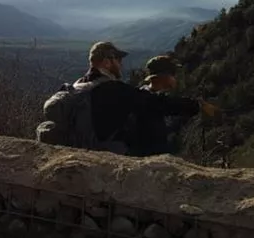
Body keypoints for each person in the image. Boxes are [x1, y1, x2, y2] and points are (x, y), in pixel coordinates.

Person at [36, 41, 218, 156]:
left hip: (78, 148)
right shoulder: (113, 89)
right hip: (104, 154)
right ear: (106, 62)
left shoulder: (79, 85)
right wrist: (197, 106)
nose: (121, 64)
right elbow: (157, 103)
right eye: (118, 60)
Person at [134, 55, 198, 156]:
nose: (175, 78)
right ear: (164, 76)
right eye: (173, 74)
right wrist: (199, 105)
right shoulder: (151, 99)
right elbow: (175, 105)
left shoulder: (145, 94)